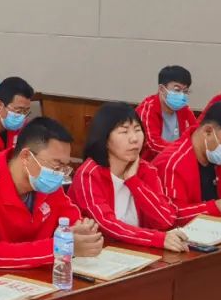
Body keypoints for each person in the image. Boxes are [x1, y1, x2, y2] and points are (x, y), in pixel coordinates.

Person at [0, 117, 103, 268]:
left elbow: (71, 218)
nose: (59, 173)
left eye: (64, 166)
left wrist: (83, 231)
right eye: (56, 164)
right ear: (26, 156)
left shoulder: (47, 183)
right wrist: (60, 248)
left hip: (35, 273)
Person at [71, 102, 188, 252]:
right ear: (105, 138)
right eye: (124, 131)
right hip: (101, 254)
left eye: (137, 130)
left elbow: (165, 219)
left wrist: (134, 182)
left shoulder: (146, 169)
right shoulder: (88, 174)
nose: (134, 139)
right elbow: (107, 225)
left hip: (139, 252)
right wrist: (156, 238)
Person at [136, 65, 199, 161]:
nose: (182, 95)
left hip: (176, 160)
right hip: (149, 163)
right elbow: (153, 144)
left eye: (185, 91)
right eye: (177, 90)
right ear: (161, 89)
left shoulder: (184, 109)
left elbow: (196, 134)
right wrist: (182, 151)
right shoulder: (148, 109)